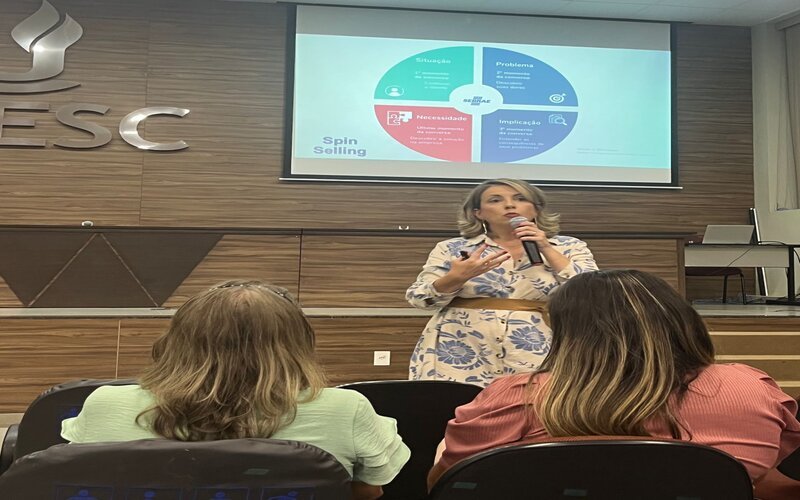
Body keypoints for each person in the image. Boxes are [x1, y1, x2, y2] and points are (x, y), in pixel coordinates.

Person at [427, 270, 800, 488]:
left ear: (567, 331)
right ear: (680, 318)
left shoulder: (516, 395)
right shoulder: (751, 387)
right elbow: (771, 474)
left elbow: (446, 483)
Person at [61, 280, 410, 500]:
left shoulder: (105, 402)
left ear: (176, 338)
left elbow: (79, 481)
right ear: (297, 343)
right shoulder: (345, 408)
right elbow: (369, 490)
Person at [406, 178, 598, 386]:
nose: (509, 205)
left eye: (520, 198)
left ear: (536, 210)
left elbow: (593, 292)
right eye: (496, 200)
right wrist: (456, 278)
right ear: (478, 213)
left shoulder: (569, 246)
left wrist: (546, 247)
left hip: (538, 347)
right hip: (458, 348)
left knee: (532, 410)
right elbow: (419, 299)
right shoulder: (451, 248)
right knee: (451, 410)